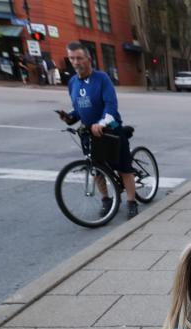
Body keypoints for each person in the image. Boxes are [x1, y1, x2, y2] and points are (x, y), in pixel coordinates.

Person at [57, 42, 139, 219]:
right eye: (72, 58)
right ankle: (106, 200)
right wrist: (70, 117)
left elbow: (111, 105)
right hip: (89, 132)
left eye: (79, 58)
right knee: (96, 168)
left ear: (88, 58)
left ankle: (132, 201)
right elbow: (79, 109)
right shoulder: (72, 83)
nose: (75, 62)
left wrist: (102, 123)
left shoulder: (102, 78)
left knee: (124, 167)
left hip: (110, 129)